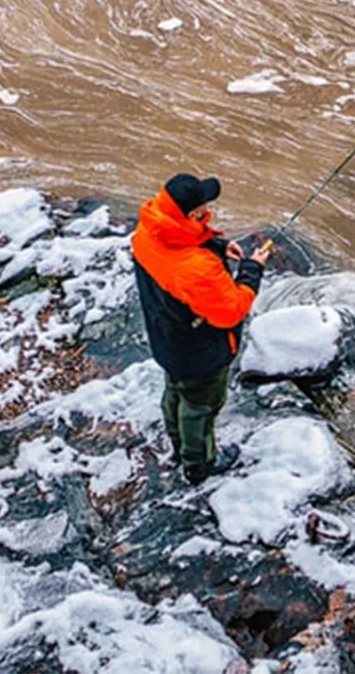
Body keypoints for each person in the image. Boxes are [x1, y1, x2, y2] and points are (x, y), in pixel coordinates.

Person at [132, 173, 270, 484]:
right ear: (193, 214)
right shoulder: (197, 269)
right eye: (204, 209)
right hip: (200, 354)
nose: (208, 211)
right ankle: (199, 465)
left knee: (175, 392)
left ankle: (177, 443)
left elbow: (178, 246)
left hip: (167, 341)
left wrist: (218, 245)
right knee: (200, 407)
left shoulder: (147, 230)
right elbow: (231, 311)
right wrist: (252, 270)